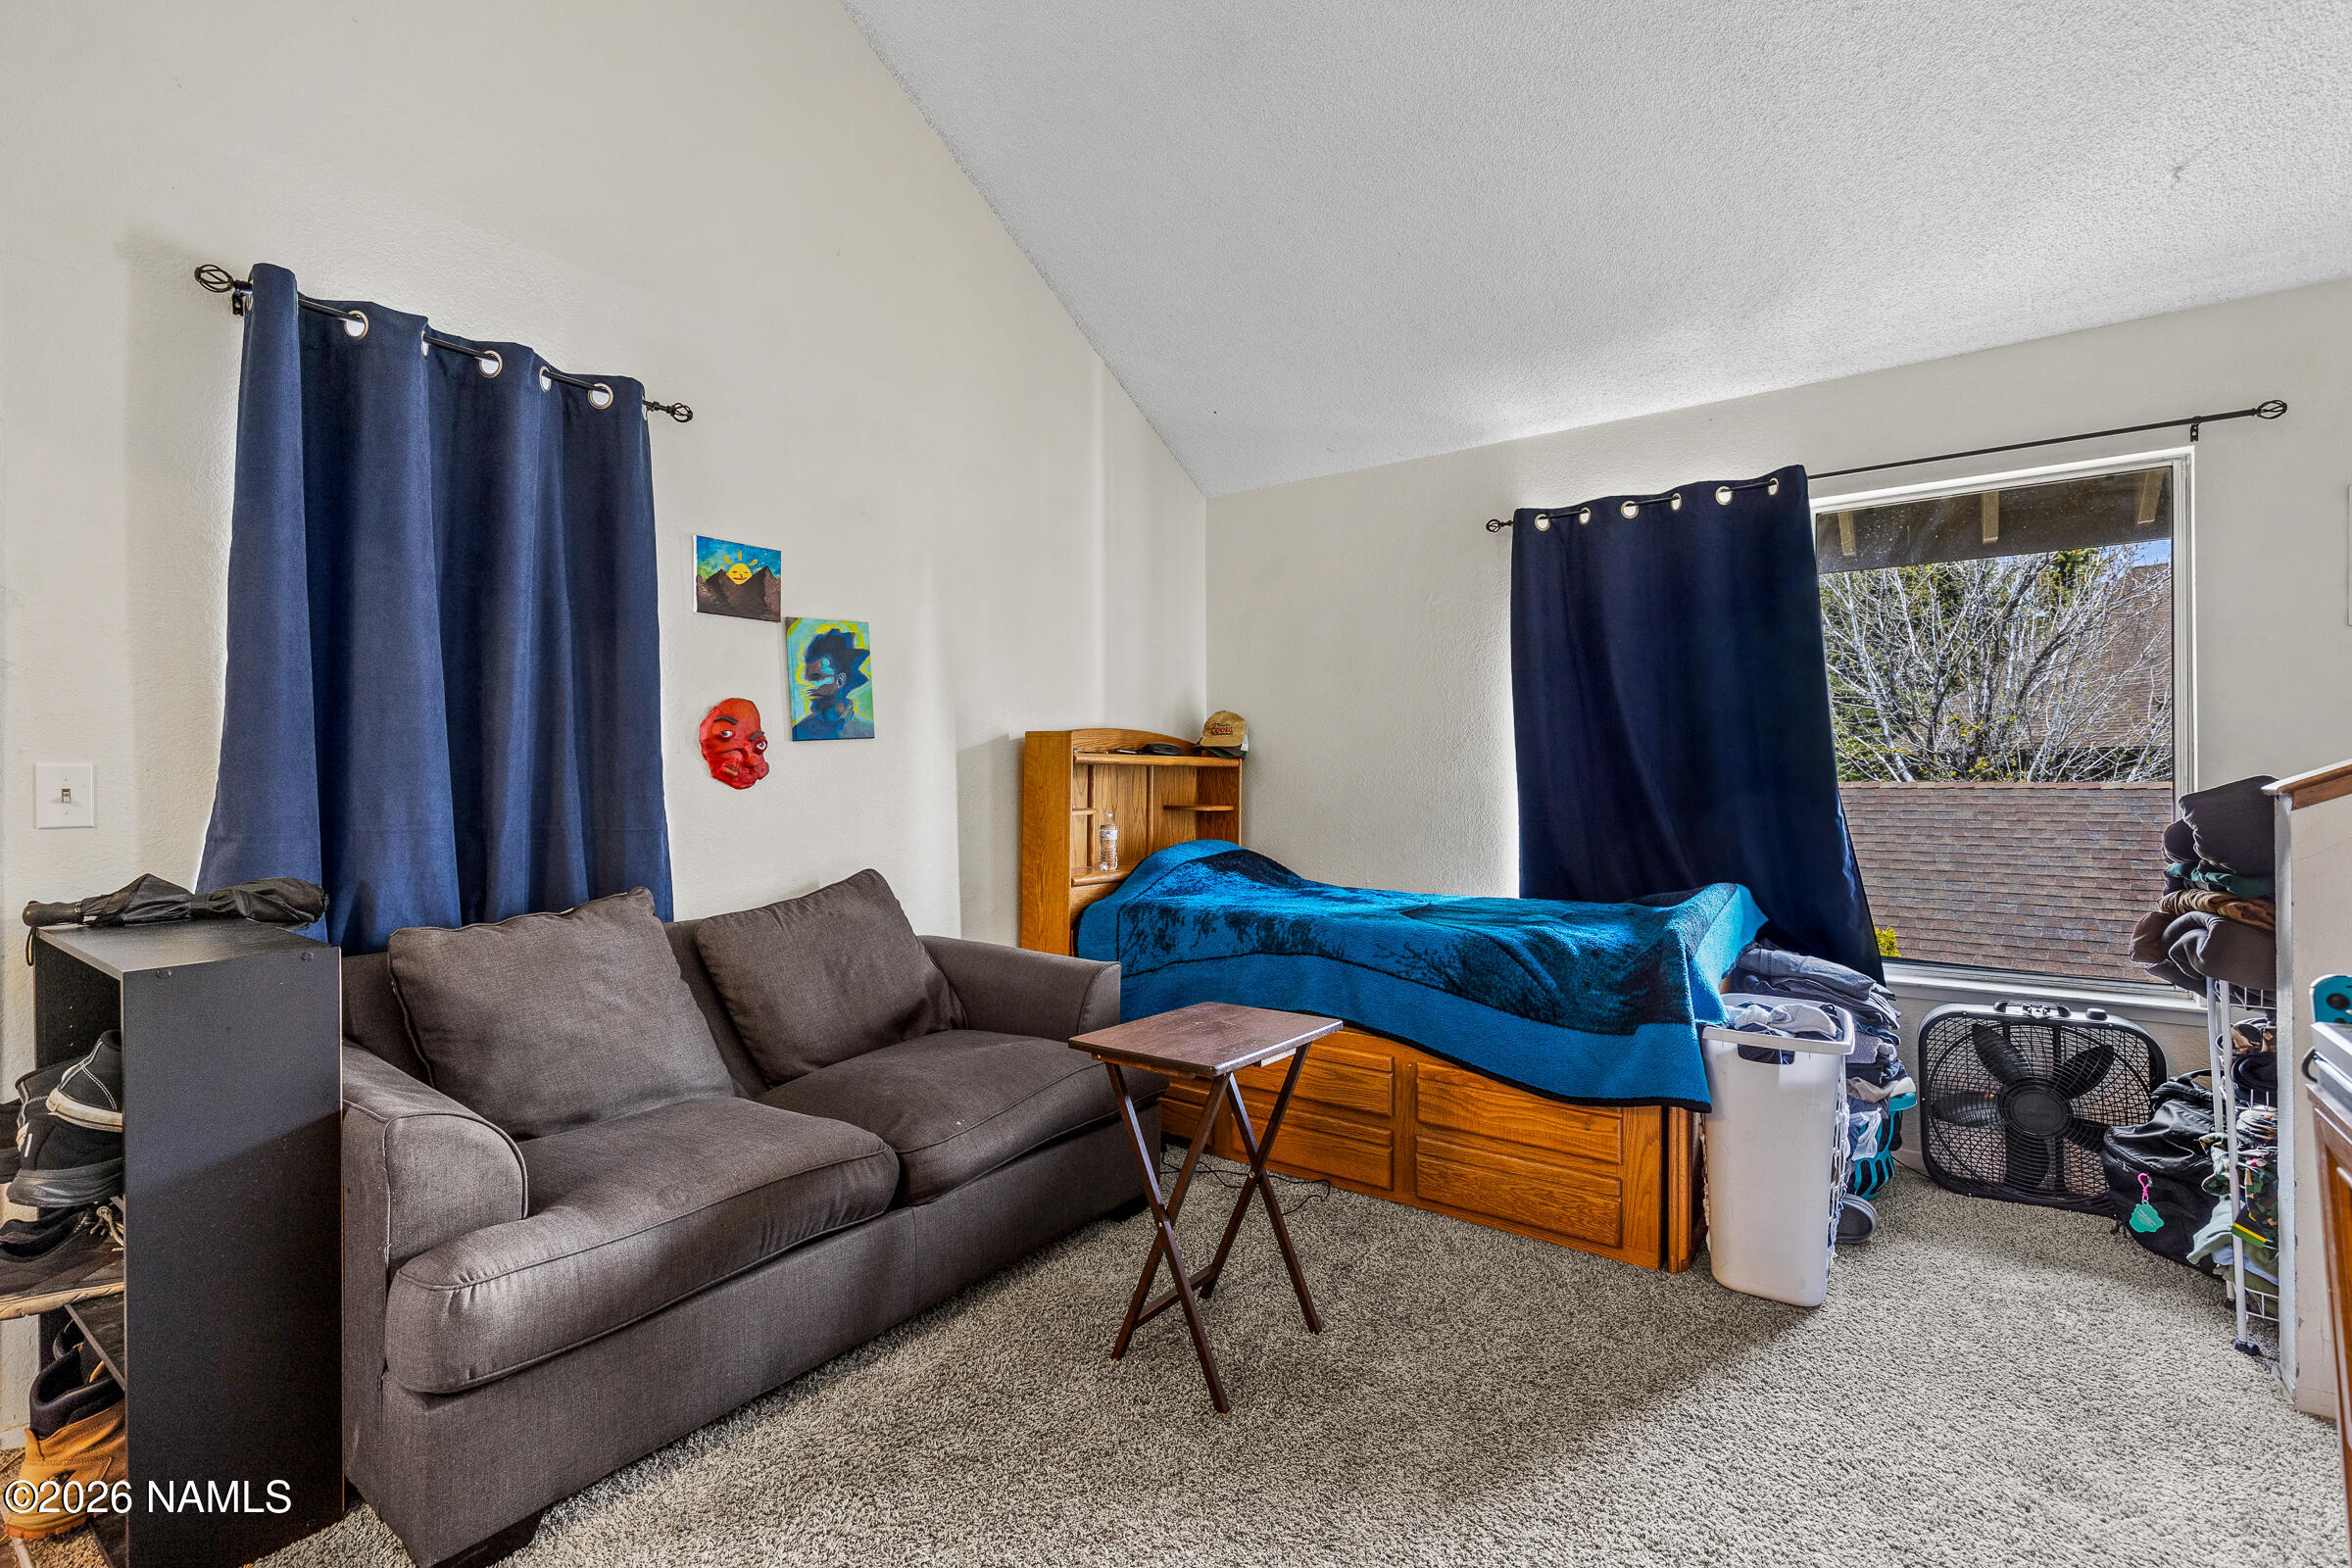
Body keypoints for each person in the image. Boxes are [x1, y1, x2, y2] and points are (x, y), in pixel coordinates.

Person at [793, 626, 874, 740]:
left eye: (816, 677)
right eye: (806, 679)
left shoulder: (867, 729)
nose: (807, 686)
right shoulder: (799, 731)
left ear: (840, 680)